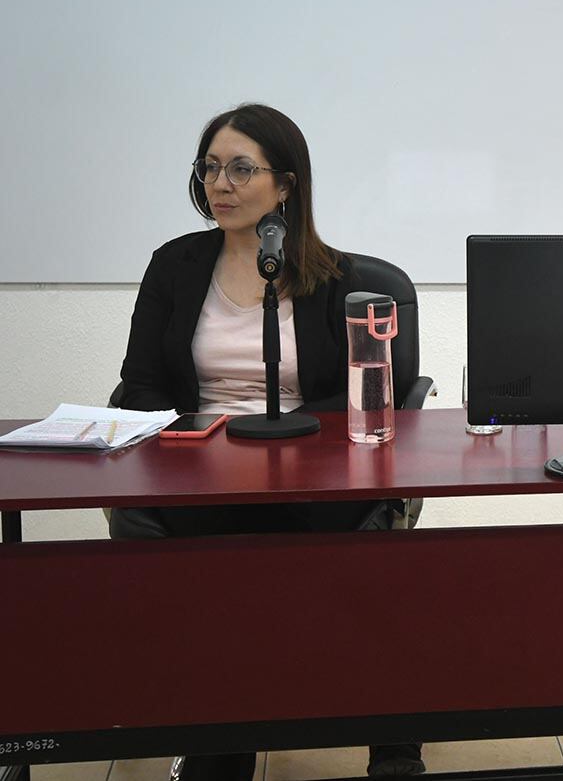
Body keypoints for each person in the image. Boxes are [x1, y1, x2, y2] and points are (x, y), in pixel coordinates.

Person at [113, 104, 424, 778]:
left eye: (240, 168)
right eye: (210, 168)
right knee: (220, 565)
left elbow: (363, 397)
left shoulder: (339, 280)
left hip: (310, 473)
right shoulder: (172, 267)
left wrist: (281, 445)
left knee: (303, 563)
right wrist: (201, 442)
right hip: (199, 471)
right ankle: (223, 736)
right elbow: (138, 385)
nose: (219, 183)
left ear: (285, 185)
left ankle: (393, 742)